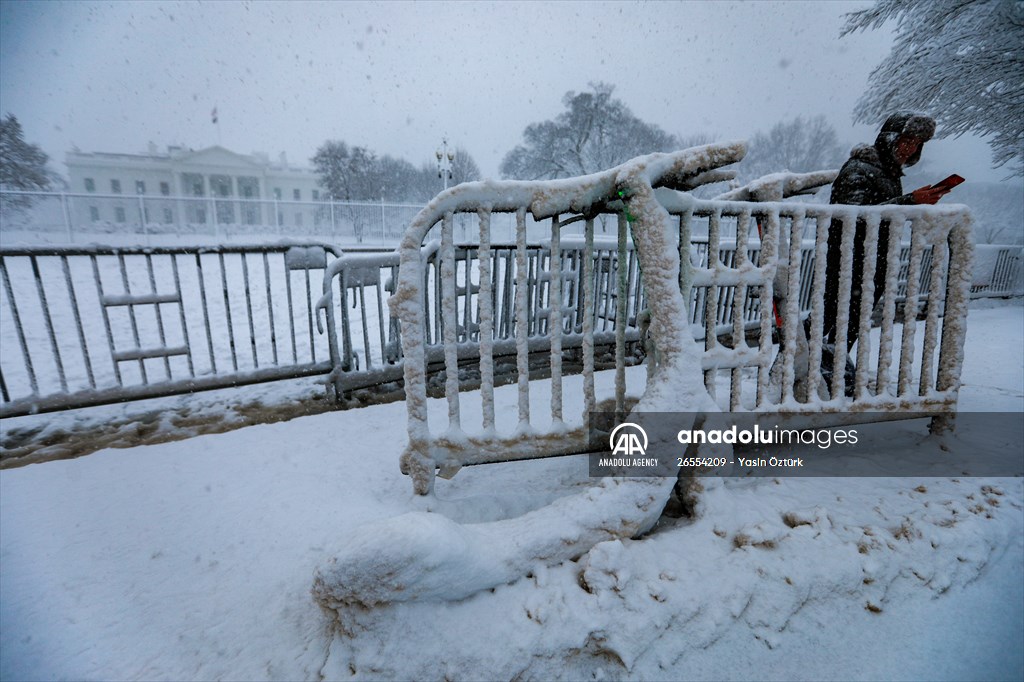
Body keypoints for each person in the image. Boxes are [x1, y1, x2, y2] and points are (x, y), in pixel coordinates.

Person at [815, 111, 951, 395]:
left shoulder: (887, 171)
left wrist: (911, 202)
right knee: (837, 311)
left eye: (916, 144)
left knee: (853, 313)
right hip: (849, 256)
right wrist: (909, 200)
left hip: (871, 257)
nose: (911, 148)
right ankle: (817, 361)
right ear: (890, 138)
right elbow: (853, 213)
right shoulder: (859, 168)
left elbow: (880, 208)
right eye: (907, 140)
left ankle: (828, 360)